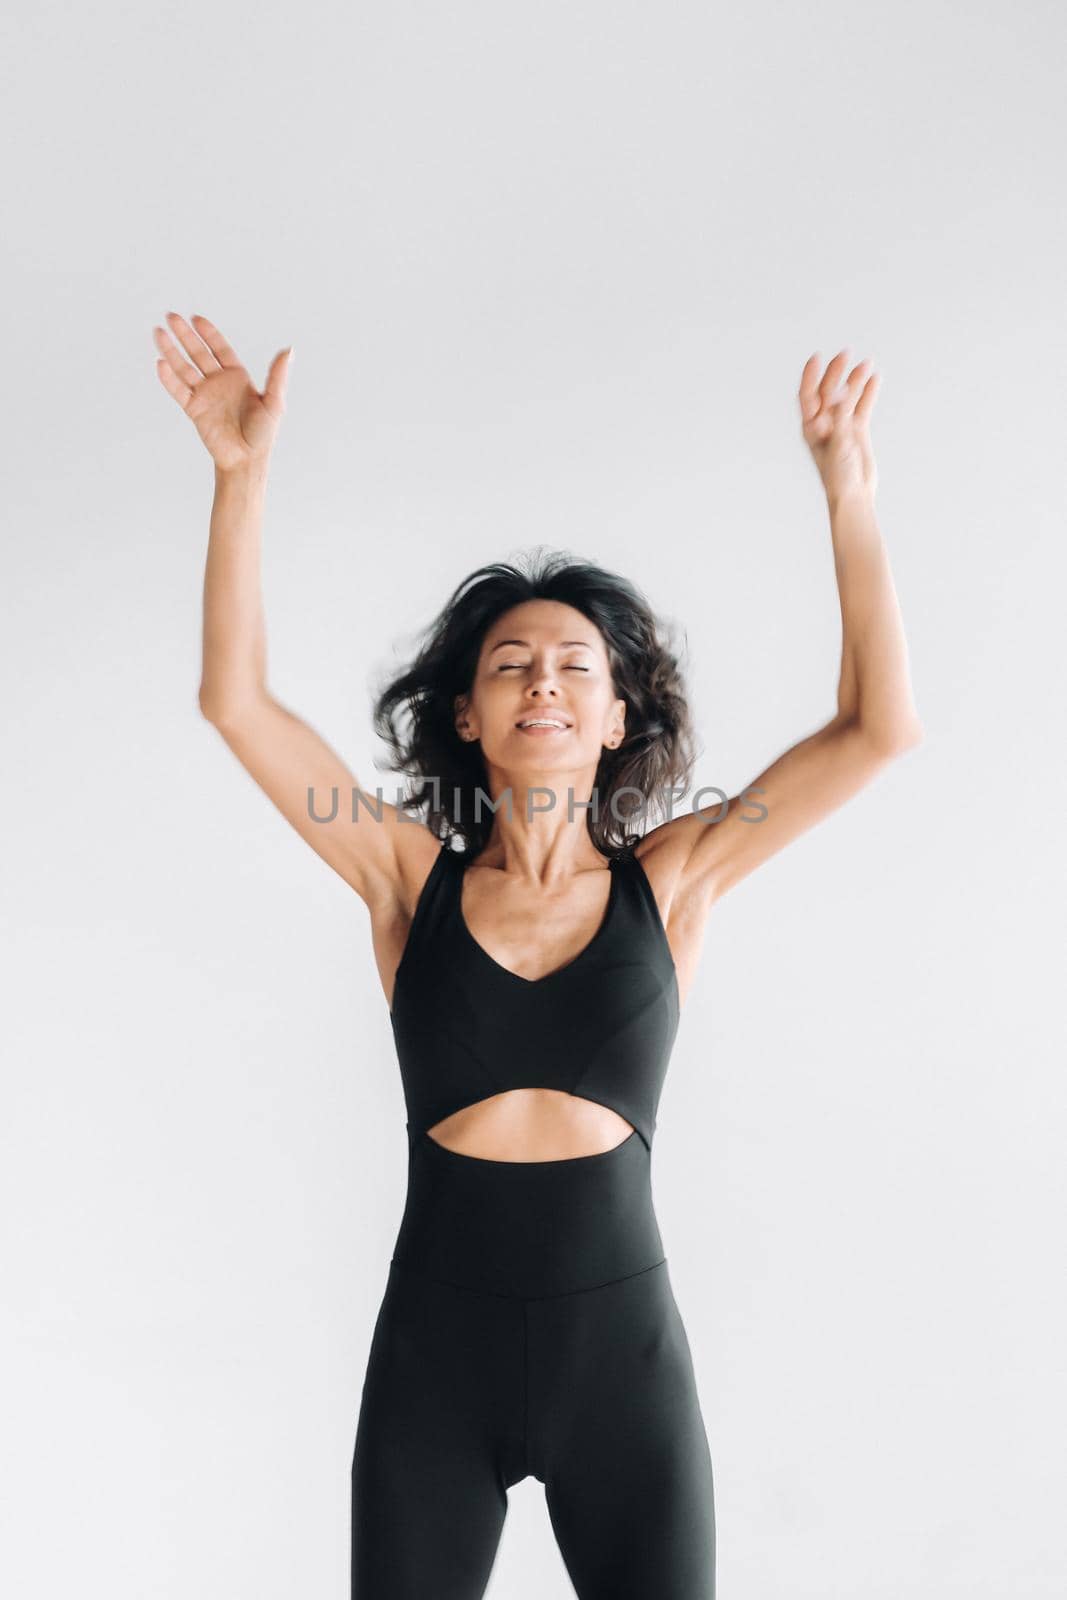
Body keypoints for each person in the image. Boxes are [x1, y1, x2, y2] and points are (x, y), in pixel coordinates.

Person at [154, 312, 924, 1599]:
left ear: (619, 717)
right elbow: (236, 702)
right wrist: (241, 480)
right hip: (431, 1374)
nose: (544, 681)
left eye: (576, 664)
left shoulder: (676, 878)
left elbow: (875, 728)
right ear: (468, 713)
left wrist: (849, 496)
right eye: (510, 664)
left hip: (622, 1374)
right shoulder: (399, 872)